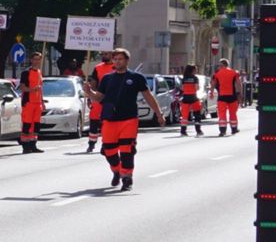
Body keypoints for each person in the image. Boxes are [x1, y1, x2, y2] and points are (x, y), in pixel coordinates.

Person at [83, 47, 163, 191]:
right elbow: (99, 98)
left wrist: (159, 113)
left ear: (127, 60)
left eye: (120, 59)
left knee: (127, 150)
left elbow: (148, 96)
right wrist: (89, 92)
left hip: (129, 119)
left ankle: (127, 178)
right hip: (109, 120)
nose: (117, 61)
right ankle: (116, 170)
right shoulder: (107, 78)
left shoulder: (136, 77)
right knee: (109, 151)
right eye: (115, 59)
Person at [84, 54, 115, 153]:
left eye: (106, 54)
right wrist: (91, 95)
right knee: (94, 120)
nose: (104, 55)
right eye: (103, 54)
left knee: (107, 122)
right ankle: (91, 144)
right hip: (98, 97)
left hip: (111, 99)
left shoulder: (116, 67)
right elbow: (94, 82)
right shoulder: (98, 68)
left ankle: (106, 143)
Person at [18, 52, 46, 154]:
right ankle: (25, 146)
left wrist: (42, 102)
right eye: (35, 59)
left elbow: (40, 88)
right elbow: (22, 87)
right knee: (27, 124)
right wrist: (32, 90)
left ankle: (33, 145)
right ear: (31, 60)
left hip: (37, 102)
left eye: (39, 59)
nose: (37, 61)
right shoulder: (26, 72)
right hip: (28, 102)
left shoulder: (39, 72)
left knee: (36, 125)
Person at [213, 58, 242, 136]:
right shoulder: (234, 73)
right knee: (233, 113)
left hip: (222, 96)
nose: (218, 67)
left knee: (222, 114)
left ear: (222, 65)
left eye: (219, 65)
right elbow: (239, 84)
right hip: (232, 96)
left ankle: (222, 131)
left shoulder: (217, 74)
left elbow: (213, 84)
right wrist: (240, 94)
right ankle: (234, 129)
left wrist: (212, 92)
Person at [178, 64, 205, 136]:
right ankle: (198, 131)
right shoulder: (195, 78)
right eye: (195, 69)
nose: (196, 71)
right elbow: (197, 88)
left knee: (184, 116)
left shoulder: (184, 78)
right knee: (197, 115)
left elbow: (182, 88)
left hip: (185, 98)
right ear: (192, 70)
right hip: (193, 98)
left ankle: (183, 131)